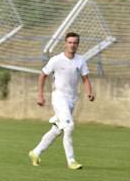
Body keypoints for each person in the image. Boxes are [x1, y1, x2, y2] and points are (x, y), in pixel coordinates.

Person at [28, 32, 95, 170]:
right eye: (69, 42)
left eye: (75, 43)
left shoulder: (80, 60)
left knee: (57, 129)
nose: (72, 45)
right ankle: (71, 161)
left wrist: (89, 92)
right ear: (65, 43)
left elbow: (85, 78)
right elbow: (42, 75)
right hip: (59, 97)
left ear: (78, 44)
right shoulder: (56, 60)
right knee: (69, 127)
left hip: (72, 99)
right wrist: (40, 95)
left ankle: (35, 152)